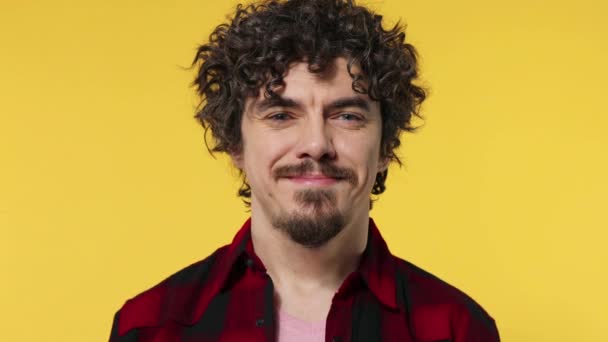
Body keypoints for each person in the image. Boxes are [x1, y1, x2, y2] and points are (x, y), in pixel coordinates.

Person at [109, 0, 500, 341]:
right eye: (281, 115)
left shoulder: (457, 330)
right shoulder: (150, 328)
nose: (316, 144)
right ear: (235, 144)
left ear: (385, 145)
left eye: (347, 116)